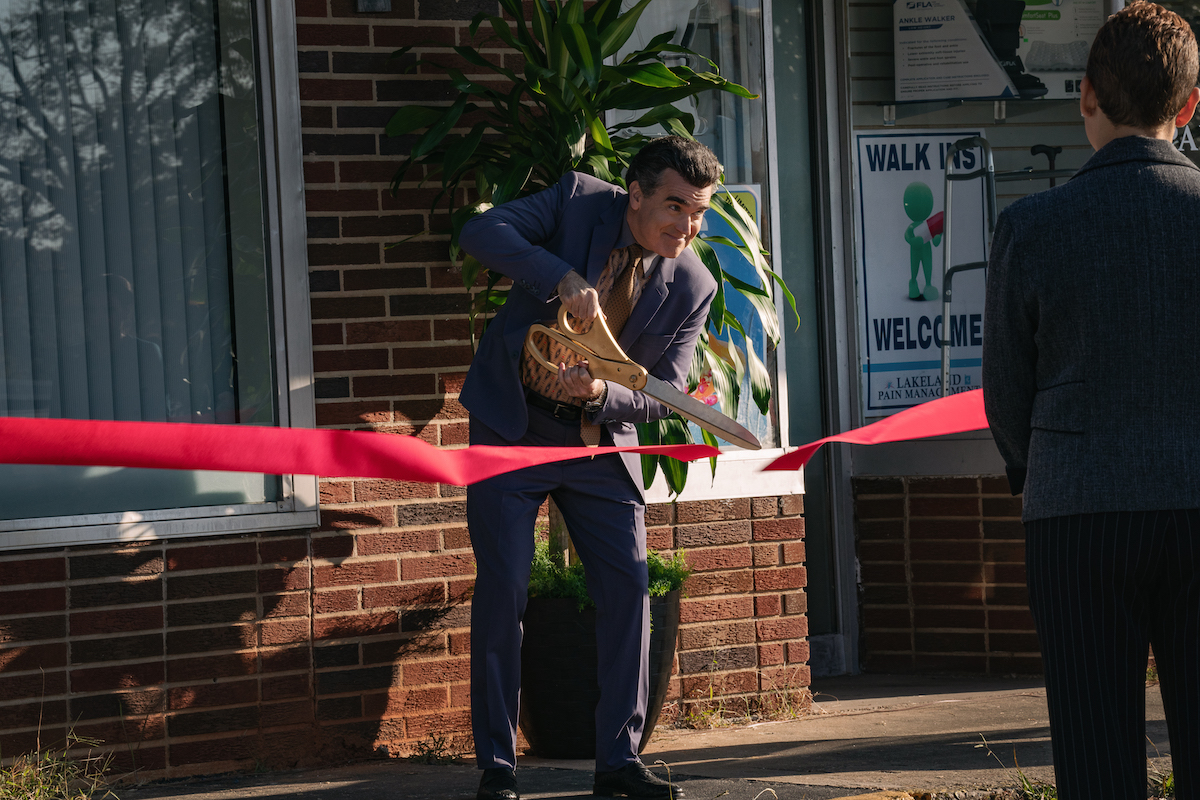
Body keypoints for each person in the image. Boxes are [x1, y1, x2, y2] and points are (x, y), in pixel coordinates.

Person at [458, 136, 721, 800]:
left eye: (699, 213)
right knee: (506, 586)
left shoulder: (694, 284)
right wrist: (559, 276)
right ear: (634, 195)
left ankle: (618, 763)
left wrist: (603, 397)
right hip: (511, 425)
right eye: (673, 207)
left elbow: (666, 391)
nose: (686, 227)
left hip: (599, 441)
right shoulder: (576, 202)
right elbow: (481, 231)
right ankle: (496, 766)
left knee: (631, 589)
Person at [982, 3, 1200, 797]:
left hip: (1079, 509)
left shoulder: (1033, 226)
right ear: (1190, 105)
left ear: (1085, 97)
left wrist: (1035, 465)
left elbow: (1006, 395)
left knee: (1095, 752)